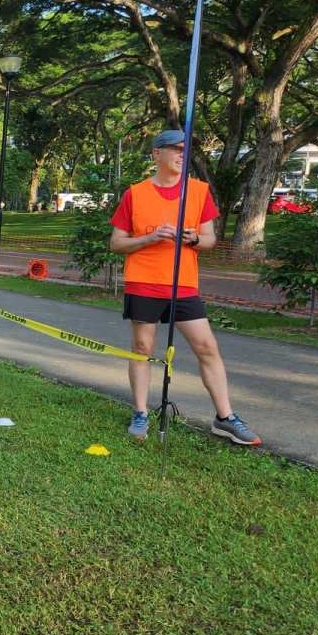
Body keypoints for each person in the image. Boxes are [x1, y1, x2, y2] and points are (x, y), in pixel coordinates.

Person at [109, 129, 260, 445]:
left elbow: (210, 239)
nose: (182, 154)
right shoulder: (135, 193)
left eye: (186, 149)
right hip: (144, 282)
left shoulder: (199, 191)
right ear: (157, 154)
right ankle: (140, 413)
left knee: (207, 346)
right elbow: (117, 243)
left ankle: (225, 417)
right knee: (142, 348)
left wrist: (193, 239)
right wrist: (150, 238)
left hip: (183, 284)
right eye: (175, 148)